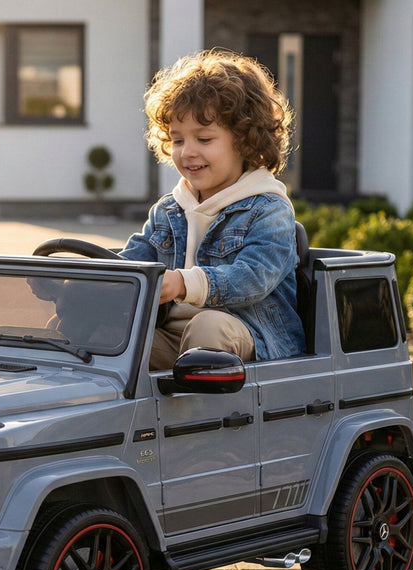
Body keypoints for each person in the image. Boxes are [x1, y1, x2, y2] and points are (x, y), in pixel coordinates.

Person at [119, 49, 306, 370]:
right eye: (177, 140)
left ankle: (197, 419)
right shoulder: (169, 210)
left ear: (246, 141)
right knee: (107, 338)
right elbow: (131, 262)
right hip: (172, 334)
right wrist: (78, 282)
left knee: (208, 328)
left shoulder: (268, 208)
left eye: (204, 139)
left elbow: (254, 277)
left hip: (249, 334)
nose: (188, 152)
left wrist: (184, 282)